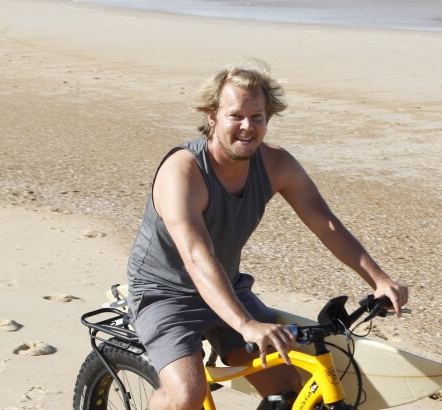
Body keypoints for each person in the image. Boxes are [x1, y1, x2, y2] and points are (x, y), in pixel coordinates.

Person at [126, 58, 408, 410]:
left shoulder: (276, 164)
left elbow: (326, 223)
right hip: (166, 294)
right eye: (236, 116)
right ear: (212, 117)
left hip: (227, 284)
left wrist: (379, 279)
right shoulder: (183, 172)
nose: (248, 127)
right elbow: (196, 257)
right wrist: (246, 325)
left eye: (257, 117)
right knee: (187, 395)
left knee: (289, 386)